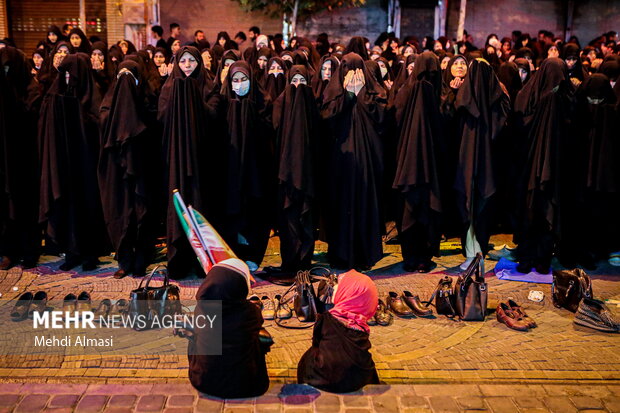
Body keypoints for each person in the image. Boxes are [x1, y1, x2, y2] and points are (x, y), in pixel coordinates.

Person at [38, 53, 107, 271]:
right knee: (67, 205)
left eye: (73, 74)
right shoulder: (54, 97)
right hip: (64, 163)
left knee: (87, 207)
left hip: (86, 165)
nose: (69, 79)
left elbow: (98, 127)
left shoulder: (93, 98)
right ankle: (71, 252)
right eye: (65, 74)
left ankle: (89, 254)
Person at [321, 53, 387, 270]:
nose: (353, 75)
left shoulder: (374, 93)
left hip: (367, 160)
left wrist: (361, 95)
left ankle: (364, 253)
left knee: (364, 202)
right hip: (340, 160)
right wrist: (348, 96)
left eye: (357, 70)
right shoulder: (333, 92)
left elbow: (381, 117)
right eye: (348, 70)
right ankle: (340, 254)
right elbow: (327, 119)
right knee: (341, 203)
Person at [514, 58, 575, 274]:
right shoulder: (534, 96)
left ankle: (540, 257)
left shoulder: (562, 97)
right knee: (533, 210)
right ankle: (531, 256)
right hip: (533, 166)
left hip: (551, 167)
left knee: (542, 209)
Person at [98, 60, 159, 279]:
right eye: (121, 74)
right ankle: (124, 260)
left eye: (130, 76)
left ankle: (142, 258)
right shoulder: (108, 106)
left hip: (143, 169)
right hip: (117, 171)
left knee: (143, 214)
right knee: (120, 214)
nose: (125, 80)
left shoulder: (147, 103)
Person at [158, 46, 213, 278]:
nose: (188, 65)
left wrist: (192, 98)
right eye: (184, 61)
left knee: (200, 206)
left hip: (201, 160)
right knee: (177, 205)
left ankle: (203, 262)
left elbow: (214, 115)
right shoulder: (169, 87)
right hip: (176, 159)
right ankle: (179, 261)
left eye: (192, 60)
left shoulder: (208, 86)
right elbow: (161, 117)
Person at [453, 59, 510, 270]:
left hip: (466, 163)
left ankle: (471, 254)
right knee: (482, 207)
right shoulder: (499, 100)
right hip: (489, 165)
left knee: (468, 205)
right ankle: (478, 253)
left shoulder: (464, 98)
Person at [218, 60, 274, 270]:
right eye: (235, 80)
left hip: (256, 170)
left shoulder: (263, 101)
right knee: (232, 211)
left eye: (244, 80)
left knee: (255, 212)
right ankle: (233, 254)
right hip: (230, 170)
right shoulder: (224, 101)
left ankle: (253, 255)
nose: (240, 84)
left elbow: (268, 130)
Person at [392, 51, 444, 273]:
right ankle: (419, 256)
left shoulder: (408, 90)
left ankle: (414, 256)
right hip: (423, 163)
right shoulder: (429, 92)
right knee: (420, 209)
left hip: (413, 163)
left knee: (413, 209)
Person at [188, 258, 269, 398]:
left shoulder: (200, 308)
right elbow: (256, 324)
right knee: (259, 337)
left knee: (195, 335)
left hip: (203, 381)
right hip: (245, 385)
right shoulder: (249, 312)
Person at [297, 270, 380, 393]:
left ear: (349, 294)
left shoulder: (328, 318)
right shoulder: (360, 323)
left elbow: (316, 342)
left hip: (321, 380)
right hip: (357, 380)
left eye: (339, 287)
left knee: (309, 356)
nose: (334, 288)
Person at [271, 65, 319, 275]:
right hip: (285, 175)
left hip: (309, 175)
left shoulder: (313, 106)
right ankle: (290, 261)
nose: (298, 86)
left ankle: (304, 261)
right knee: (288, 220)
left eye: (302, 81)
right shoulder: (280, 104)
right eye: (294, 81)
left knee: (306, 219)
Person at [0, 47, 41, 270]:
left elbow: (30, 116)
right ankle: (9, 250)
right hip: (5, 161)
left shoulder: (31, 90)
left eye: (9, 68)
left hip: (26, 160)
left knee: (26, 206)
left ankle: (29, 251)